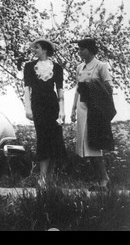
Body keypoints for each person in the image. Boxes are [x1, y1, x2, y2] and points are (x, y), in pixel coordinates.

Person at [70, 38, 115, 191]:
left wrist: (91, 87)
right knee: (85, 147)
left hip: (95, 111)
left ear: (89, 50)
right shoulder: (79, 67)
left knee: (94, 146)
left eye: (82, 49)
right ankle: (101, 180)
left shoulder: (101, 66)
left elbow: (109, 87)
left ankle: (104, 180)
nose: (79, 51)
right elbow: (78, 89)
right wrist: (73, 109)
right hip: (82, 109)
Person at [23, 39, 67, 188]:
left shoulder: (57, 68)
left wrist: (62, 111)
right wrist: (27, 108)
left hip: (52, 105)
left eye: (37, 47)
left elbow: (60, 91)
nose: (34, 50)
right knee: (42, 138)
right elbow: (26, 89)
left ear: (45, 49)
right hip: (38, 105)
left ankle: (51, 177)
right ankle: (41, 178)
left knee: (55, 139)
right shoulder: (29, 67)